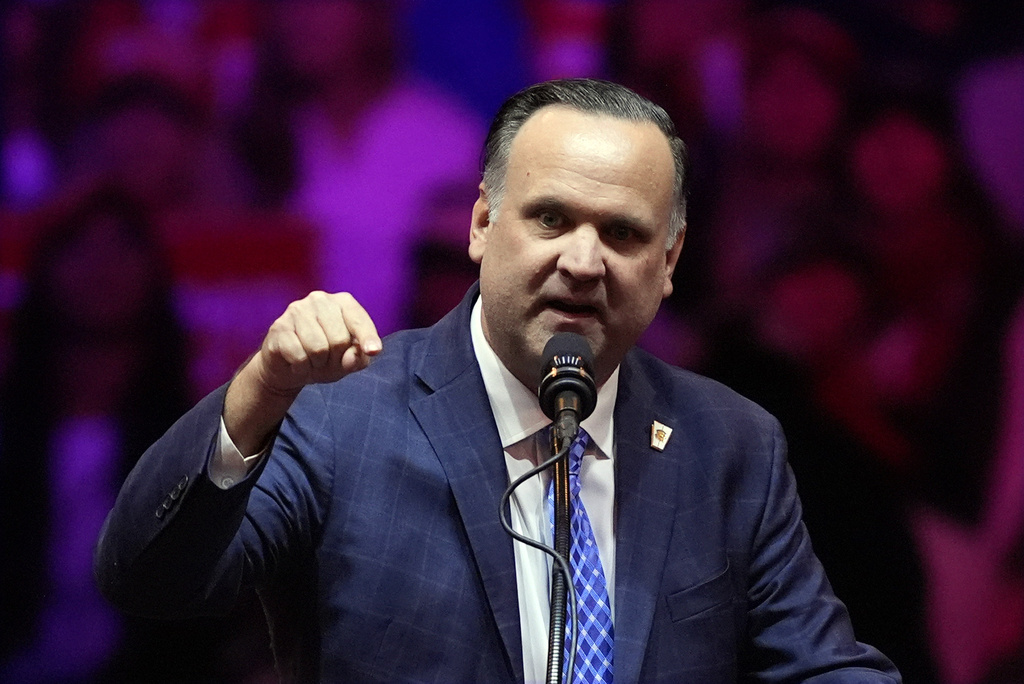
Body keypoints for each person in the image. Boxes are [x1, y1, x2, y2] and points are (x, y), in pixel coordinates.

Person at [94, 79, 900, 683]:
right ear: (483, 224)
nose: (583, 263)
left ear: (669, 264)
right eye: (551, 218)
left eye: (622, 233)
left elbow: (821, 667)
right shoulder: (344, 418)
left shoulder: (729, 443)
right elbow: (152, 579)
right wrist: (257, 394)